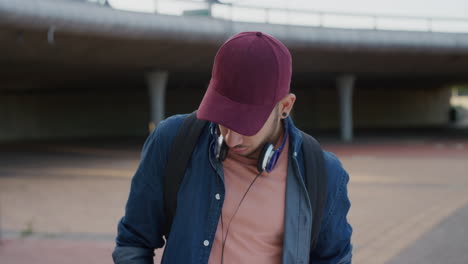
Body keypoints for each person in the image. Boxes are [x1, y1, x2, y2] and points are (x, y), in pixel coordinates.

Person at [113, 31, 353, 264]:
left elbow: (334, 259)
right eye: (223, 119)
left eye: (247, 124)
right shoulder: (171, 140)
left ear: (285, 107)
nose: (231, 139)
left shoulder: (324, 173)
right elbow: (134, 241)